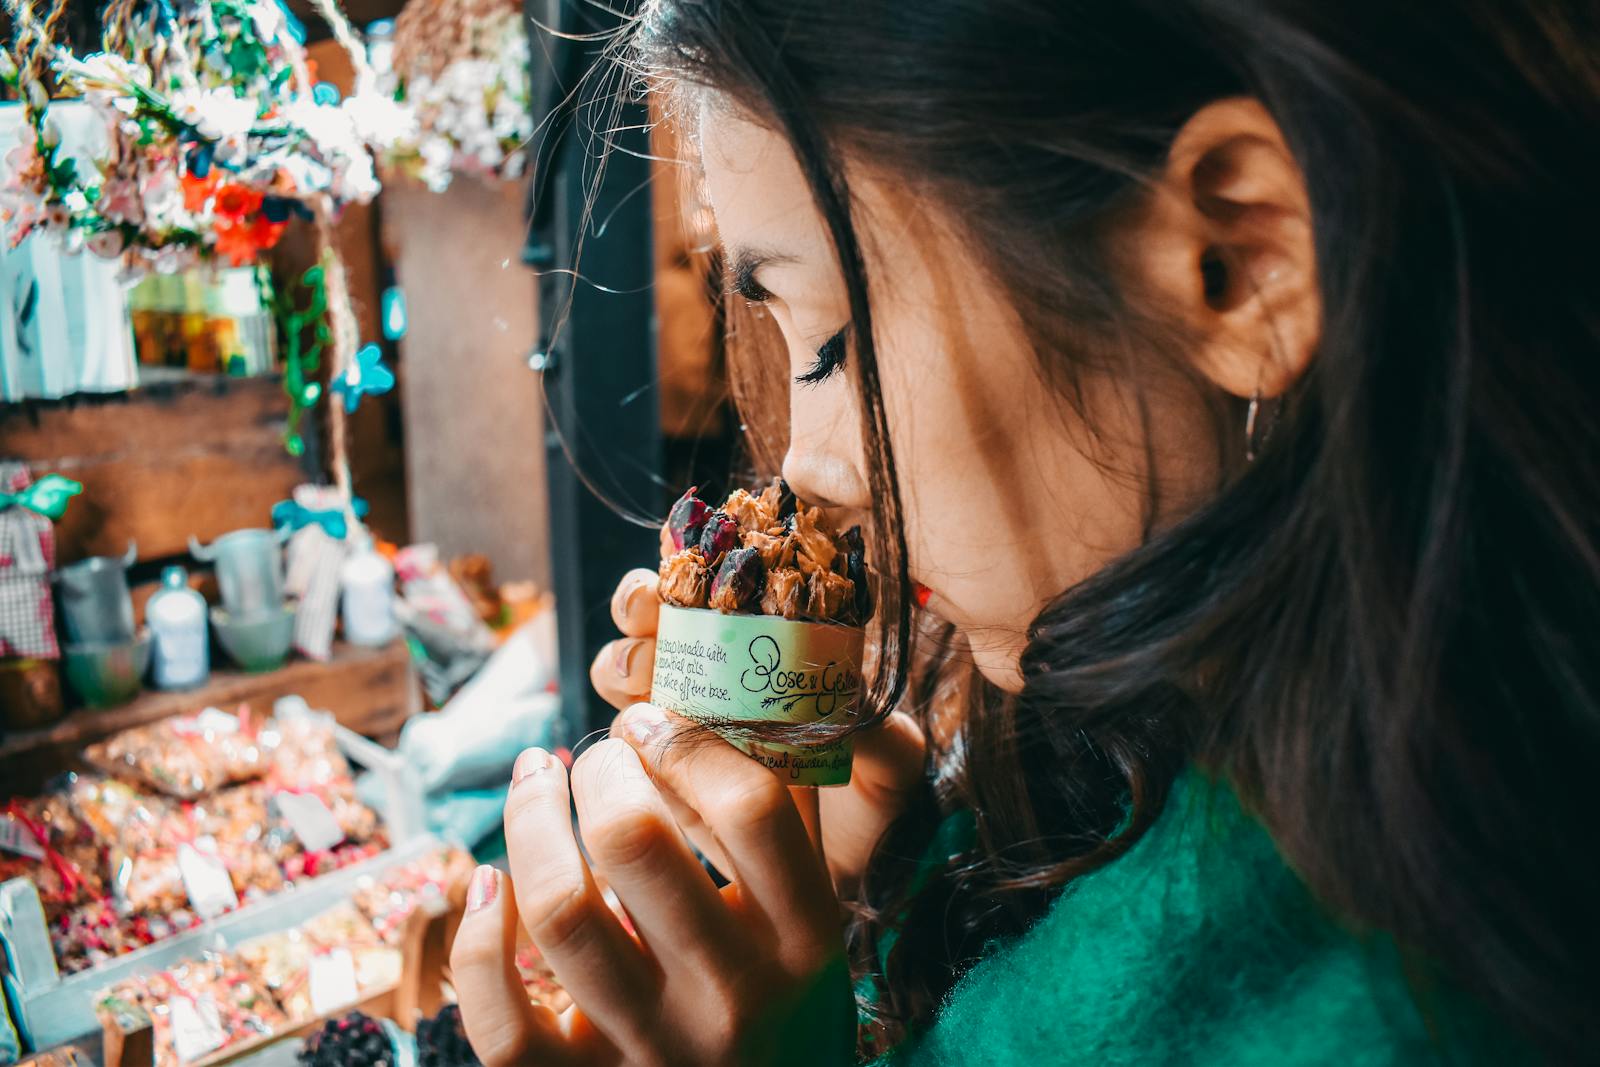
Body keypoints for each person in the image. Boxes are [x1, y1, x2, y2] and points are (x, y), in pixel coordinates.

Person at [449, 2, 1600, 1063]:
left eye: (834, 342)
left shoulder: (1399, 1011)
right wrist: (879, 886)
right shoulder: (1126, 764)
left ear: (1236, 262)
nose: (807, 469)